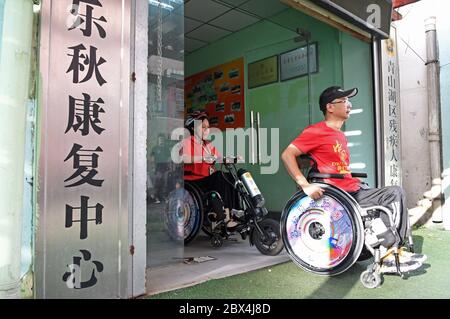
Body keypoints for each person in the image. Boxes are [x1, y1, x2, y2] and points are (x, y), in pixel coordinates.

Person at [281, 85, 426, 270]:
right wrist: (305, 185)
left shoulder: (339, 135)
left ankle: (386, 247)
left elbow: (330, 164)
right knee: (393, 193)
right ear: (330, 107)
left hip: (351, 188)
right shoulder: (316, 131)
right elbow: (287, 155)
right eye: (344, 101)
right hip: (338, 193)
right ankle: (388, 253)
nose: (349, 104)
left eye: (349, 101)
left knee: (388, 196)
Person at [180, 110, 241, 226]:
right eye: (203, 127)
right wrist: (202, 158)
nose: (206, 130)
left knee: (230, 177)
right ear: (193, 128)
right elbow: (184, 158)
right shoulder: (188, 142)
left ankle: (234, 213)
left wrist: (232, 158)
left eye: (208, 127)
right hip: (194, 181)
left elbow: (218, 158)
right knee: (219, 175)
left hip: (207, 180)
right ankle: (225, 216)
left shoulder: (207, 145)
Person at [150, 134, 171, 203]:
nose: (161, 141)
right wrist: (153, 167)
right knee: (158, 182)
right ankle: (155, 197)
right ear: (158, 140)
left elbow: (169, 158)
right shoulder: (155, 148)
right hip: (158, 167)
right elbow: (152, 159)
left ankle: (163, 196)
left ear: (164, 140)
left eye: (162, 139)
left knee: (165, 182)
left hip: (165, 167)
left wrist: (169, 167)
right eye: (160, 139)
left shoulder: (166, 149)